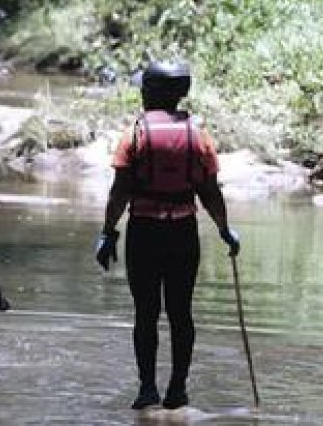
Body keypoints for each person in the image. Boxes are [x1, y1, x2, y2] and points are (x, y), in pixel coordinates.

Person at [94, 61, 240, 410]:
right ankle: (177, 389)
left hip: (144, 234)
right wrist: (224, 230)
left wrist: (108, 232)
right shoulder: (198, 136)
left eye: (144, 89)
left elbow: (119, 192)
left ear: (150, 93)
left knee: (146, 312)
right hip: (183, 235)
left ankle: (147, 389)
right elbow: (210, 192)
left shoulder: (134, 135)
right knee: (181, 312)